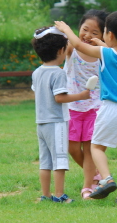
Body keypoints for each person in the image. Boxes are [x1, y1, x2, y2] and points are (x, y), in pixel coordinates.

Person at [55, 11, 117, 206]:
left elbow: (78, 45)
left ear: (109, 35)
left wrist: (66, 29)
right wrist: (103, 45)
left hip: (111, 108)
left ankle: (106, 178)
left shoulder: (105, 54)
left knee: (96, 148)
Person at [31, 26, 91, 203]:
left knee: (45, 162)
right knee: (60, 161)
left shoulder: (37, 72)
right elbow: (59, 98)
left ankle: (45, 195)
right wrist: (81, 95)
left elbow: (38, 93)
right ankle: (59, 195)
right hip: (56, 122)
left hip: (41, 123)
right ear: (60, 50)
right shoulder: (58, 73)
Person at [63, 9, 108, 200]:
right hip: (72, 106)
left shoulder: (103, 54)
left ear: (104, 35)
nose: (88, 35)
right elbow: (74, 42)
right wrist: (65, 31)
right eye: (84, 29)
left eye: (94, 33)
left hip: (94, 107)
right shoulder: (71, 48)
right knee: (72, 148)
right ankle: (96, 175)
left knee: (89, 149)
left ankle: (87, 186)